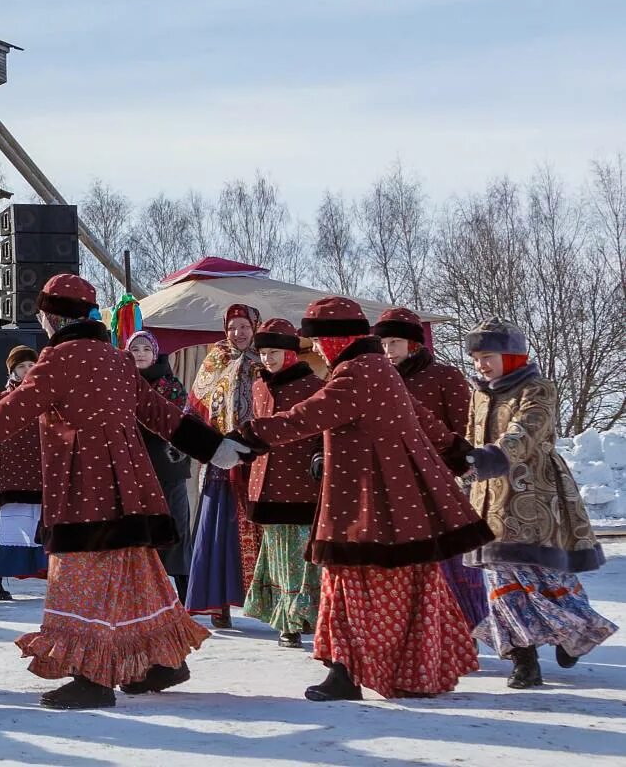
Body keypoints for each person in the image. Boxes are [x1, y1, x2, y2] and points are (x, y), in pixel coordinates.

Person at [0, 274, 248, 710]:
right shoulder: (118, 360)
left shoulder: (58, 360)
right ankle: (161, 662)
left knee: (79, 581)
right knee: (137, 577)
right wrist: (214, 446)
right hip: (134, 490)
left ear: (51, 317)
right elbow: (164, 416)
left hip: (83, 491)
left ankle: (92, 677)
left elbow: (9, 413)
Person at [235, 296, 492, 701]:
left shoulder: (357, 373)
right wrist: (454, 450)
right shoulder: (377, 369)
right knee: (387, 584)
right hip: (390, 498)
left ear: (337, 340)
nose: (316, 348)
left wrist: (250, 437)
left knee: (360, 583)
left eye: (319, 340)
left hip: (372, 500)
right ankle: (382, 670)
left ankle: (352, 672)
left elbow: (310, 415)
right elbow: (422, 417)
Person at [459, 317, 616, 689]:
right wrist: (460, 464)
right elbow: (469, 437)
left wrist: (492, 457)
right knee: (501, 583)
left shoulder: (537, 388)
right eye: (477, 357)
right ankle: (524, 661)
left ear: (512, 355)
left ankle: (574, 633)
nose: (481, 364)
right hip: (488, 502)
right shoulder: (479, 393)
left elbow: (526, 431)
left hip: (533, 496)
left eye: (489, 355)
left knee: (542, 577)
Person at [376, 305, 488, 629]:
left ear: (415, 343)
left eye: (395, 343)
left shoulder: (444, 376)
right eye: (383, 344)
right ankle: (419, 631)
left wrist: (460, 477)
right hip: (394, 488)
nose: (388, 351)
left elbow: (464, 431)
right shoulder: (379, 383)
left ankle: (464, 627)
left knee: (450, 565)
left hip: (439, 487)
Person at [238, 318, 323, 648]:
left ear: (291, 353)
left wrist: (319, 457)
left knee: (302, 556)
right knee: (275, 554)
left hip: (301, 482)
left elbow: (323, 432)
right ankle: (286, 620)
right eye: (264, 353)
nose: (268, 359)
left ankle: (304, 617)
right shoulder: (259, 385)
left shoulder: (313, 386)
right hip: (266, 481)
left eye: (275, 352)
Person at [186, 303, 261, 629]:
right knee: (218, 531)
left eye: (244, 326)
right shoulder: (214, 362)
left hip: (258, 457)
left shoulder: (266, 362)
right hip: (221, 459)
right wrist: (209, 444)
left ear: (254, 328)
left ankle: (276, 603)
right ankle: (217, 601)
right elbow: (193, 409)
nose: (238, 333)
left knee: (264, 531)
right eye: (233, 327)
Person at [0, 345, 48, 602]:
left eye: (31, 365)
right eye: (21, 367)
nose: (27, 371)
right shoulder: (1, 398)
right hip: (13, 472)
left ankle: (52, 576)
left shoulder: (47, 396)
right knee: (7, 525)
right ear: (13, 372)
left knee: (41, 523)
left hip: (42, 471)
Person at [125, 330, 195, 601]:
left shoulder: (171, 385)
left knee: (176, 528)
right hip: (132, 470)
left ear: (155, 354)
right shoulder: (120, 383)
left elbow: (181, 423)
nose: (140, 354)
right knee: (138, 532)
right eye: (135, 350)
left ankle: (186, 594)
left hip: (168, 469)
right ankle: (140, 596)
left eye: (146, 349)